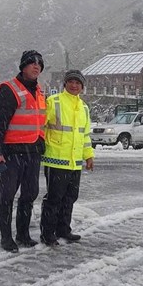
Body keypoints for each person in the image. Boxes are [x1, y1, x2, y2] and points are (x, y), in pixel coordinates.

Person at [0, 50, 47, 253]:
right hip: (13, 152)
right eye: (32, 63)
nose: (36, 66)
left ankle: (23, 234)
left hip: (33, 151)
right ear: (23, 66)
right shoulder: (10, 89)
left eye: (39, 64)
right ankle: (7, 238)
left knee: (30, 194)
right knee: (7, 196)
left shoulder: (40, 92)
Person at [39, 70, 95, 246]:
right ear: (65, 84)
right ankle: (47, 233)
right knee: (54, 198)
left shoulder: (84, 108)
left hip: (75, 162)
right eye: (71, 82)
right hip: (56, 159)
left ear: (82, 86)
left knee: (70, 197)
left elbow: (84, 135)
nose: (74, 85)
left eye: (78, 83)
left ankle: (64, 229)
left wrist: (89, 156)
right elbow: (40, 125)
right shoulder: (53, 102)